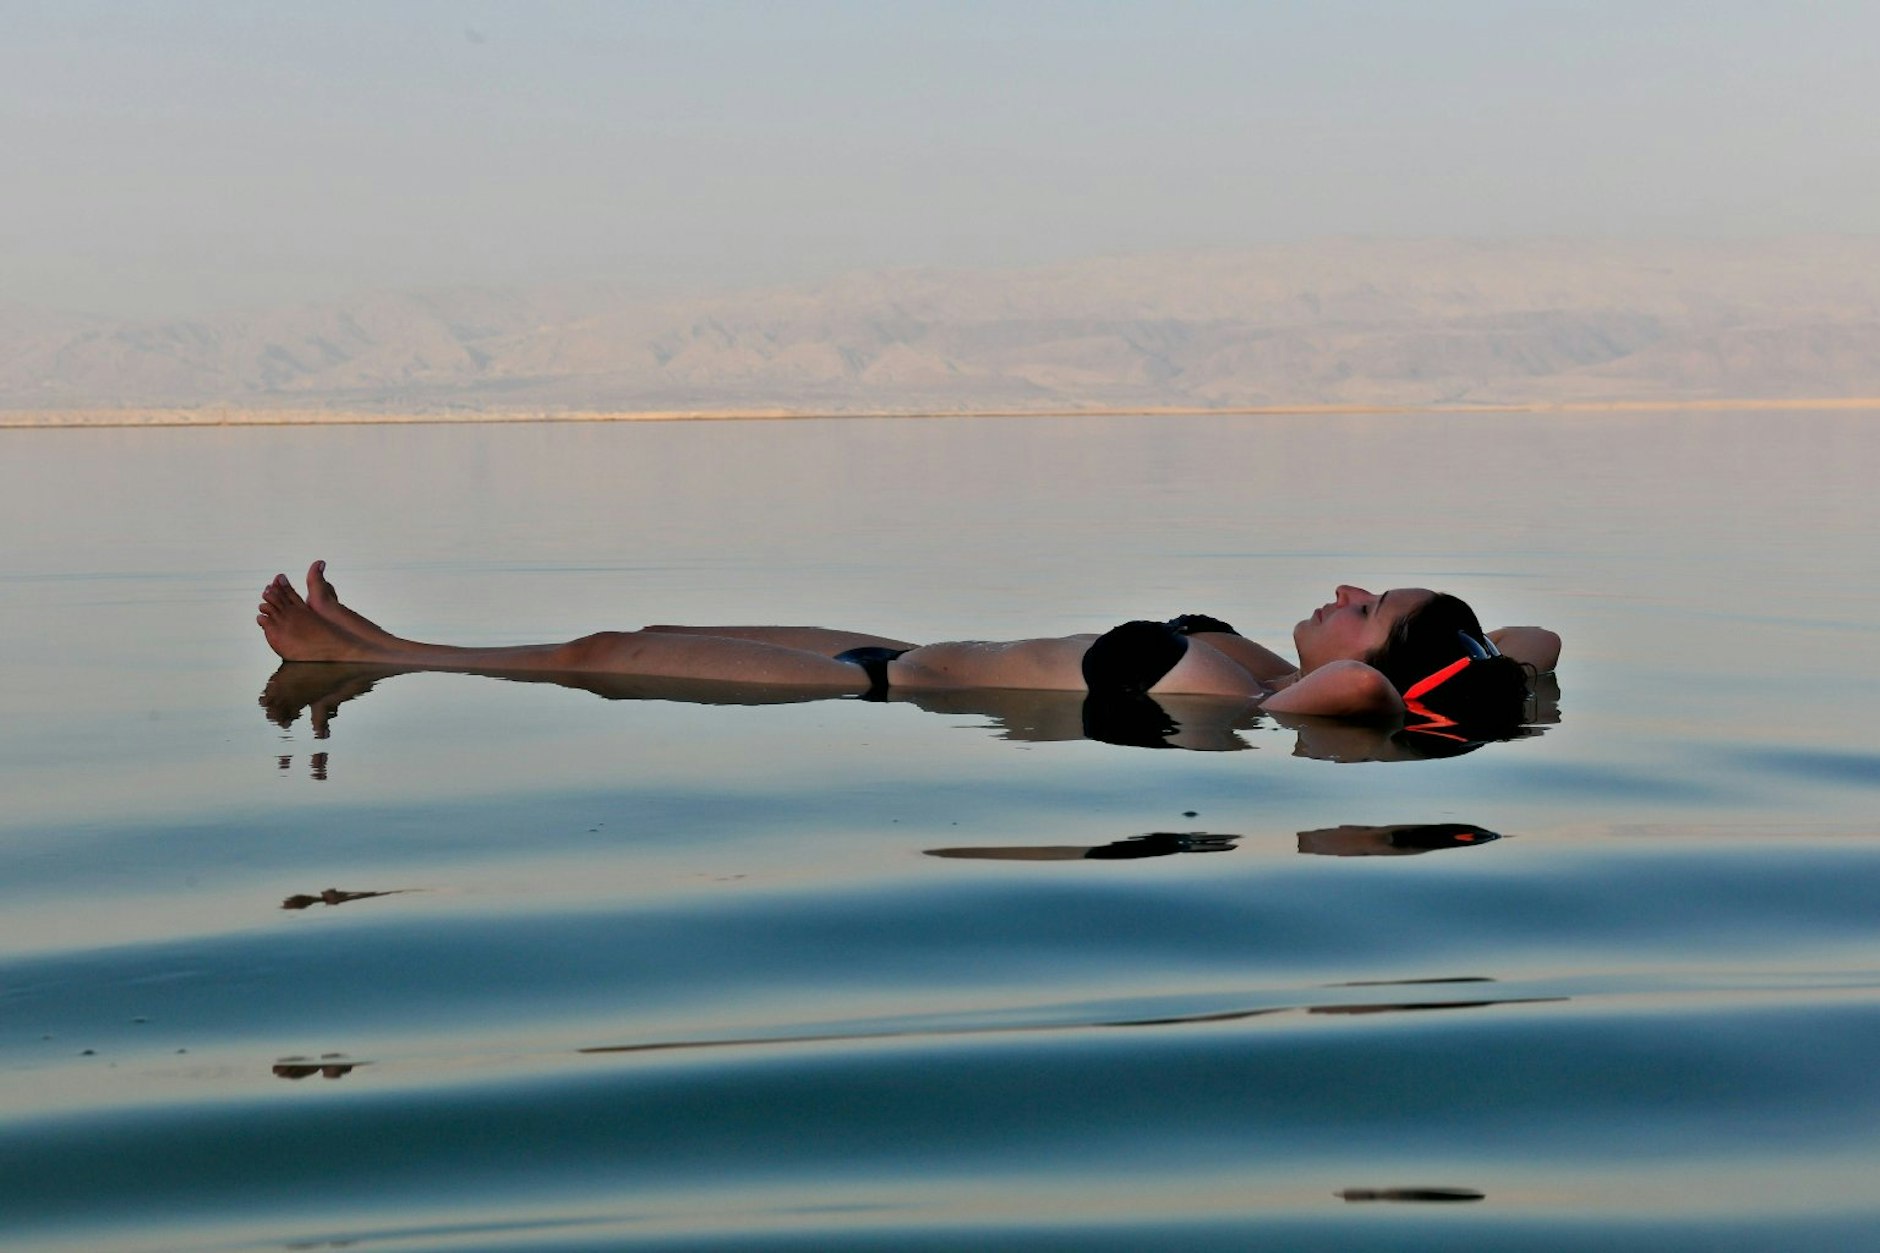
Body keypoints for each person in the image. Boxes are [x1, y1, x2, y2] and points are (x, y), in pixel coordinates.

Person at [257, 561, 1559, 727]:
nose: (1340, 588)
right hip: (893, 646)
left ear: (1374, 662)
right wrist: (1454, 650)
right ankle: (381, 639)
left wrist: (1402, 674)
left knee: (611, 645)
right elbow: (1529, 641)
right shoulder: (1271, 667)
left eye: (1365, 600)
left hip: (864, 686)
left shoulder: (1283, 698)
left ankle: (376, 654)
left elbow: (1334, 701)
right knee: (641, 626)